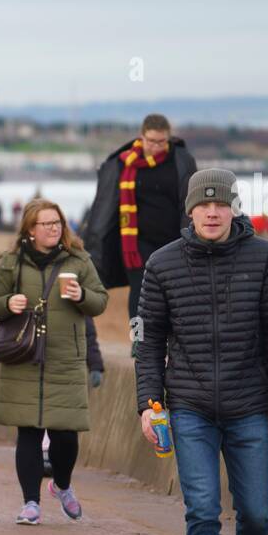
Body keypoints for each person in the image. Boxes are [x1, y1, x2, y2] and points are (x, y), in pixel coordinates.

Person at [135, 169, 268, 535]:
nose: (212, 212)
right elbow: (148, 343)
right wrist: (150, 403)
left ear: (234, 209)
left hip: (250, 405)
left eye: (221, 204)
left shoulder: (265, 259)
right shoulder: (162, 264)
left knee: (256, 512)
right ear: (189, 210)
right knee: (202, 509)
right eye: (204, 205)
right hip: (189, 410)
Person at [0, 199, 107, 525]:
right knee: (28, 432)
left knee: (65, 435)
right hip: (25, 357)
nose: (53, 228)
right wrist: (8, 302)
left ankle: (62, 485)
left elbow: (100, 301)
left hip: (65, 360)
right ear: (30, 230)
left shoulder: (79, 261)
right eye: (46, 223)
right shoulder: (13, 262)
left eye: (57, 223)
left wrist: (81, 296)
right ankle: (30, 503)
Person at [82, 113, 198, 356]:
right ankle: (139, 340)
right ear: (142, 137)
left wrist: (190, 235)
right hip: (135, 243)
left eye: (161, 142)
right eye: (151, 141)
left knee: (174, 293)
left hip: (173, 239)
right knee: (140, 292)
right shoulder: (125, 163)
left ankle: (174, 342)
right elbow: (104, 202)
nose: (155, 147)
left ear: (169, 139)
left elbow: (189, 202)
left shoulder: (181, 160)